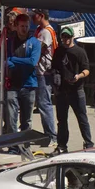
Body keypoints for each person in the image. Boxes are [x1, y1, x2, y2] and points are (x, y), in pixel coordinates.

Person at [50, 26, 94, 155]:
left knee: (82, 118)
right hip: (62, 91)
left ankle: (89, 144)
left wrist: (78, 76)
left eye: (68, 37)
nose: (65, 39)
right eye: (63, 37)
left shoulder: (79, 52)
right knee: (62, 120)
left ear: (72, 37)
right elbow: (54, 67)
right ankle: (62, 145)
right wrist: (55, 76)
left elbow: (87, 70)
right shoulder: (58, 51)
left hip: (77, 90)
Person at [6, 13, 42, 154]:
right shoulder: (10, 41)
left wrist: (14, 60)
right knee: (11, 118)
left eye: (26, 26)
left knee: (26, 119)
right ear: (16, 26)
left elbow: (33, 62)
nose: (24, 29)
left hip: (29, 84)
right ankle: (13, 146)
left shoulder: (35, 42)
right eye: (21, 26)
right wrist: (14, 61)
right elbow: (7, 61)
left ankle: (25, 146)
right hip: (13, 85)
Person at [32, 9, 58, 146]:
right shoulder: (40, 30)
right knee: (42, 103)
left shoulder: (46, 32)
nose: (32, 17)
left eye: (34, 14)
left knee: (44, 104)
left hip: (44, 72)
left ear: (41, 16)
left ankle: (51, 136)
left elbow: (38, 48)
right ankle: (49, 134)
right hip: (40, 72)